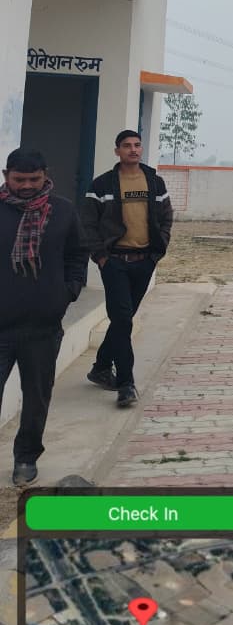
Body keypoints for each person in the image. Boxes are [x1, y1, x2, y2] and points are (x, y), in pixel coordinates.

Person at [0, 148, 86, 485]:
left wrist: (68, 292)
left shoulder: (62, 211)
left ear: (45, 175)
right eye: (19, 179)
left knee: (37, 399)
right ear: (6, 176)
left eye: (33, 179)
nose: (26, 186)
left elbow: (77, 255)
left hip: (42, 327)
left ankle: (26, 458)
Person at [79, 129, 173, 408]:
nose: (133, 149)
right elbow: (88, 223)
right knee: (122, 320)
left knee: (123, 319)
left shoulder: (155, 182)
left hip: (144, 262)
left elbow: (166, 217)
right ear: (117, 151)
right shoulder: (101, 184)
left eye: (137, 145)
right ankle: (126, 383)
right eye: (127, 145)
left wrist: (156, 253)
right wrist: (101, 257)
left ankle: (101, 367)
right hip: (115, 262)